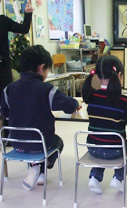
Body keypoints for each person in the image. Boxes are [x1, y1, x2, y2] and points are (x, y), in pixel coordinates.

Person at [0, 45, 81, 191]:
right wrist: (76, 104)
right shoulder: (47, 89)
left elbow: (4, 113)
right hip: (41, 144)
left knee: (38, 142)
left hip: (16, 144)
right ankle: (38, 166)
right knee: (58, 142)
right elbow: (68, 105)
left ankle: (39, 173)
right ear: (42, 67)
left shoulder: (9, 89)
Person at [81, 55, 127, 193]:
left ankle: (94, 177)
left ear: (97, 77)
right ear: (119, 75)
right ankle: (118, 178)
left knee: (102, 145)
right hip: (115, 150)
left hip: (93, 149)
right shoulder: (123, 101)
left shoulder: (91, 98)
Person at [0, 0, 33, 99]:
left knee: (5, 97)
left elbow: (23, 29)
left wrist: (27, 14)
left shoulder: (2, 21)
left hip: (3, 67)